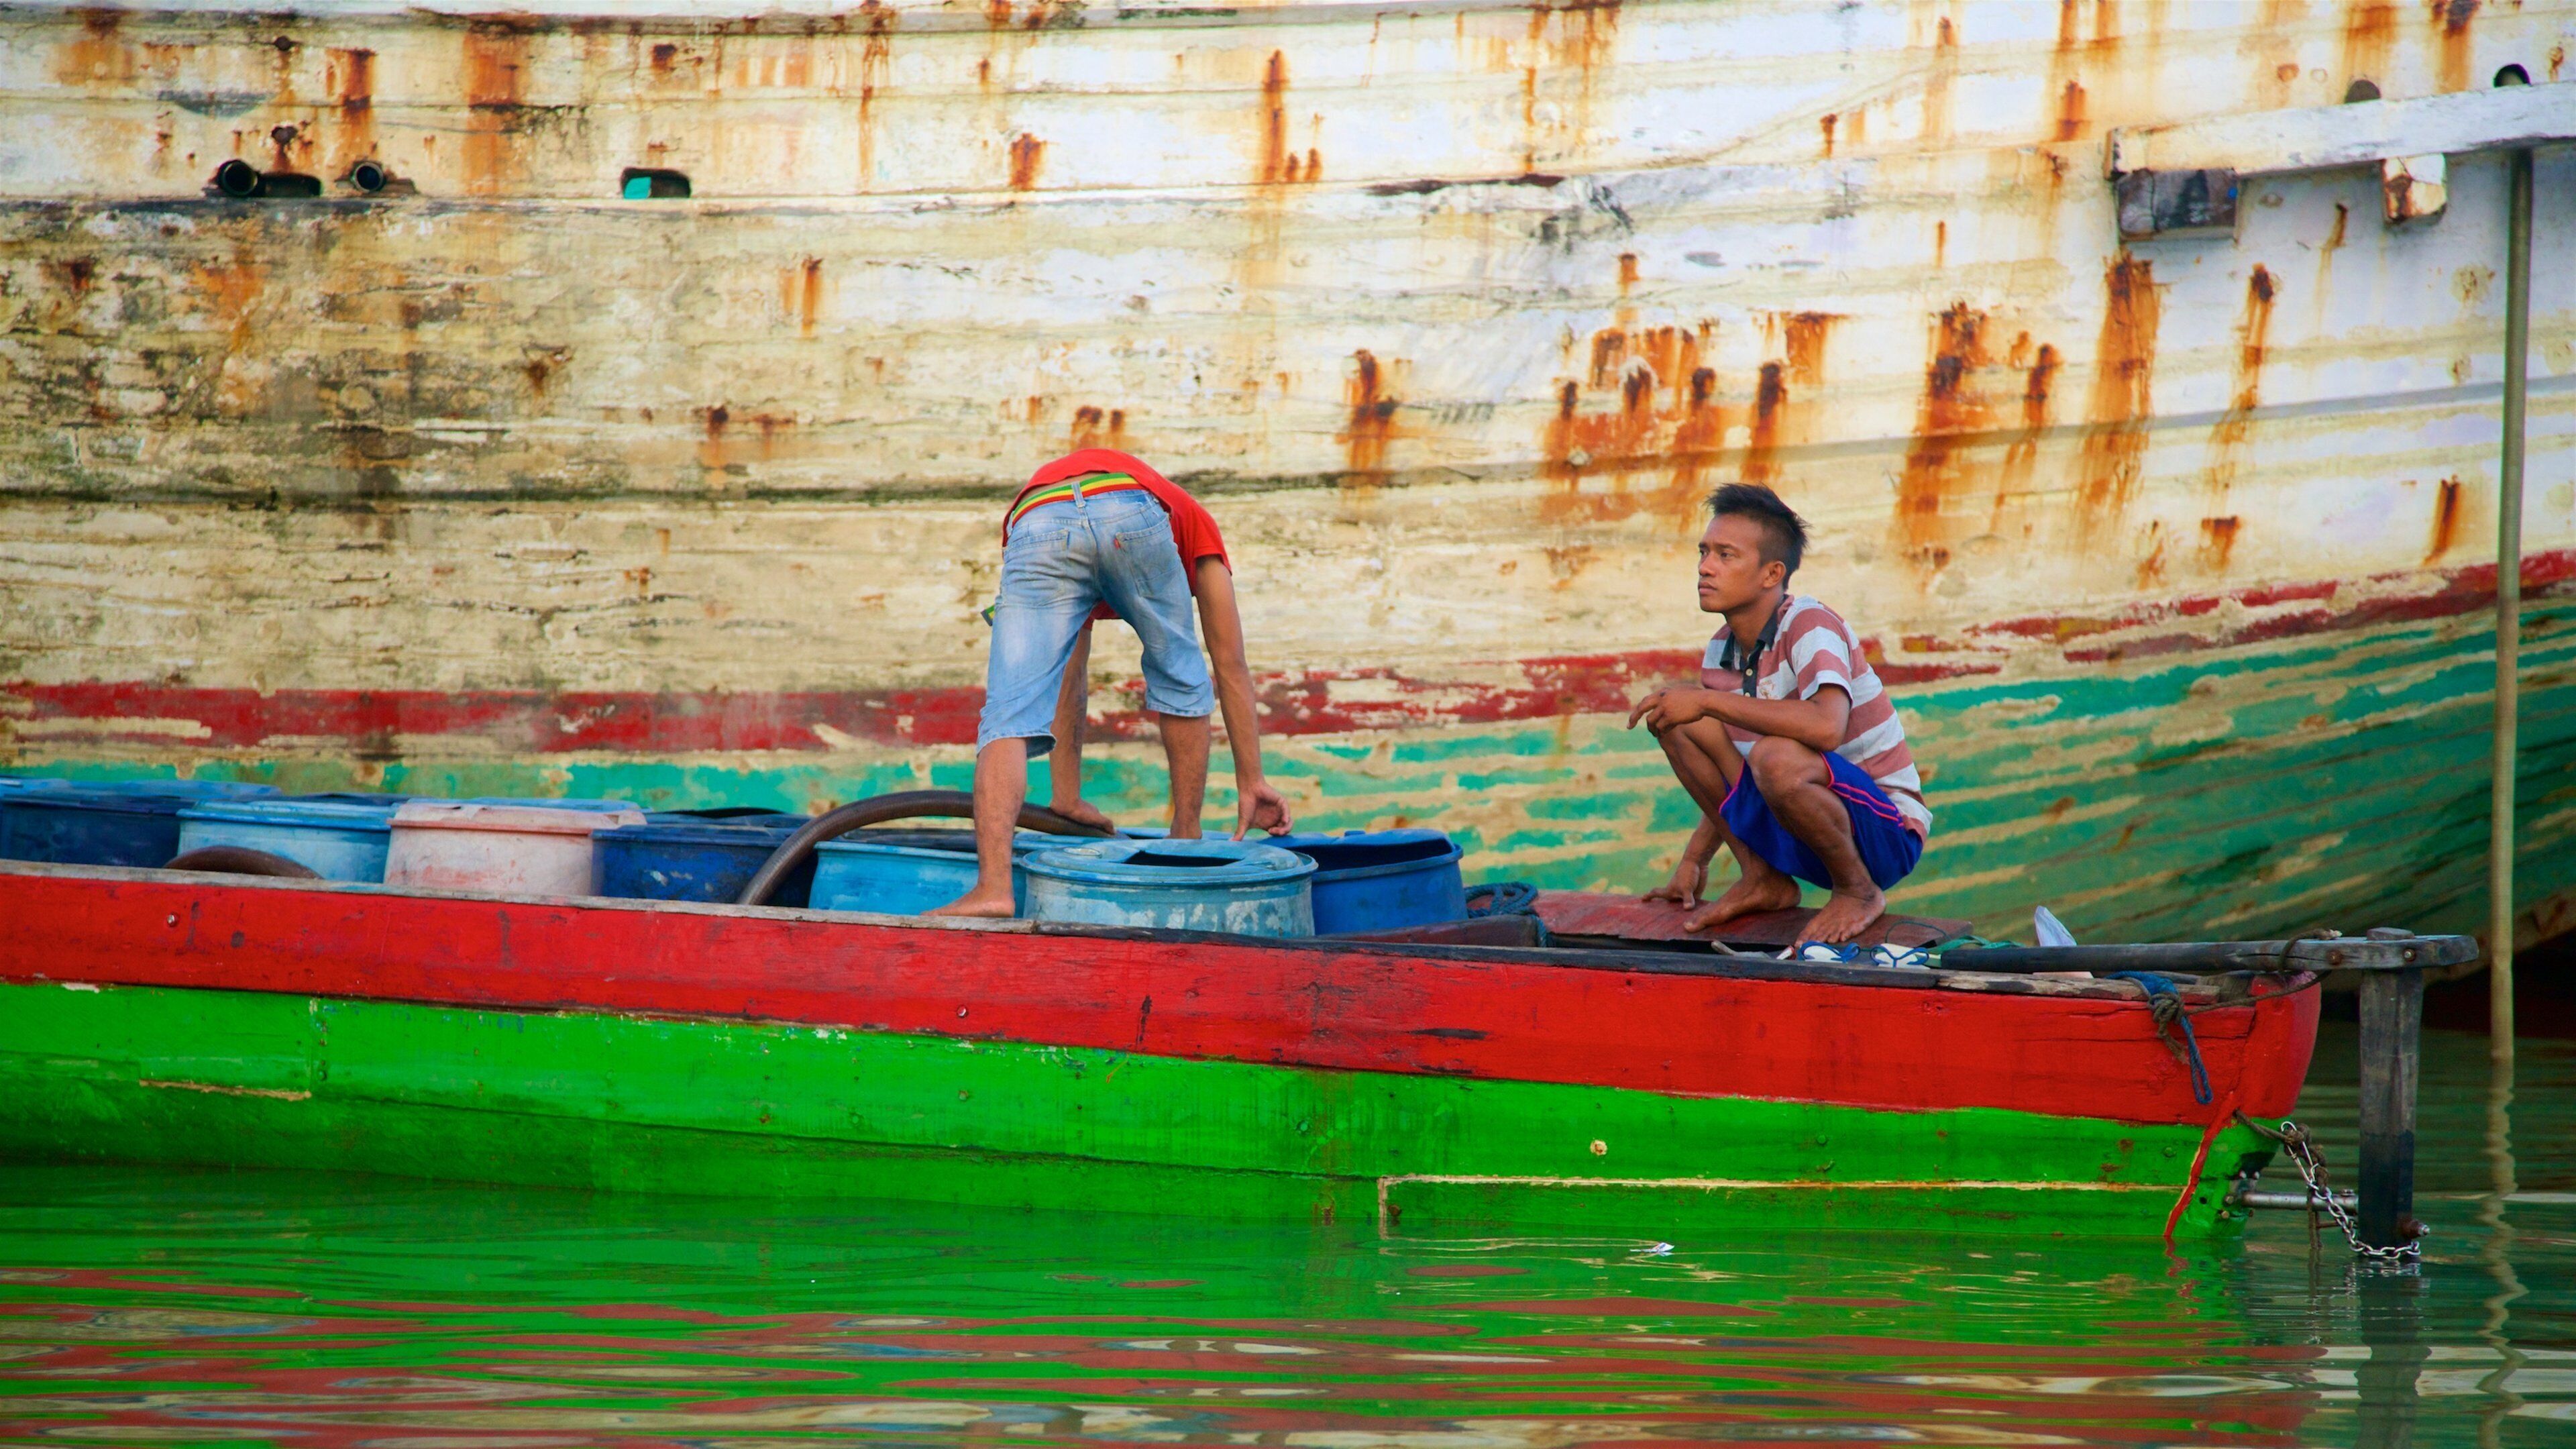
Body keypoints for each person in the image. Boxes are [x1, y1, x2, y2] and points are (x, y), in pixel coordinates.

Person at [929, 447, 1293, 918]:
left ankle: (994, 889)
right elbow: (1230, 662)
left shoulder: (1084, 529)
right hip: (1129, 508)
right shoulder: (1194, 522)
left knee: (1009, 713)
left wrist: (1066, 797)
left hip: (1039, 517)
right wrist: (1252, 780)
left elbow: (1069, 677)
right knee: (1180, 673)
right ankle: (1185, 838)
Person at [1627, 484, 1929, 944]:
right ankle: (1762, 878)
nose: (1705, 567)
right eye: (1704, 552)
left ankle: (1858, 892)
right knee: (1680, 724)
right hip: (1800, 830)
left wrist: (1705, 700)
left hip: (1882, 834)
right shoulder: (1721, 650)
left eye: (1726, 555)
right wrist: (1694, 860)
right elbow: (1735, 766)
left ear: (1772, 573)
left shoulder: (1809, 624)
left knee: (1774, 755)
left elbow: (1827, 729)